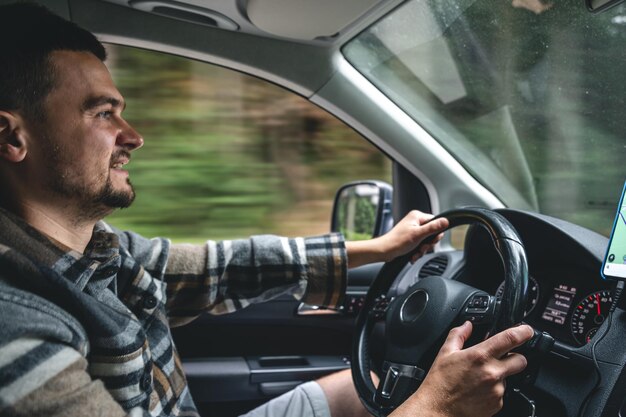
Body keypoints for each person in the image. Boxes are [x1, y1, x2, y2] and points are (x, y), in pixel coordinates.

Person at [0, 3, 533, 417]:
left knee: (362, 387)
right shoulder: (15, 326)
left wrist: (376, 248)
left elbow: (220, 266)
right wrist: (435, 406)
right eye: (101, 113)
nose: (133, 137)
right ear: (12, 137)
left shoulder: (96, 251)